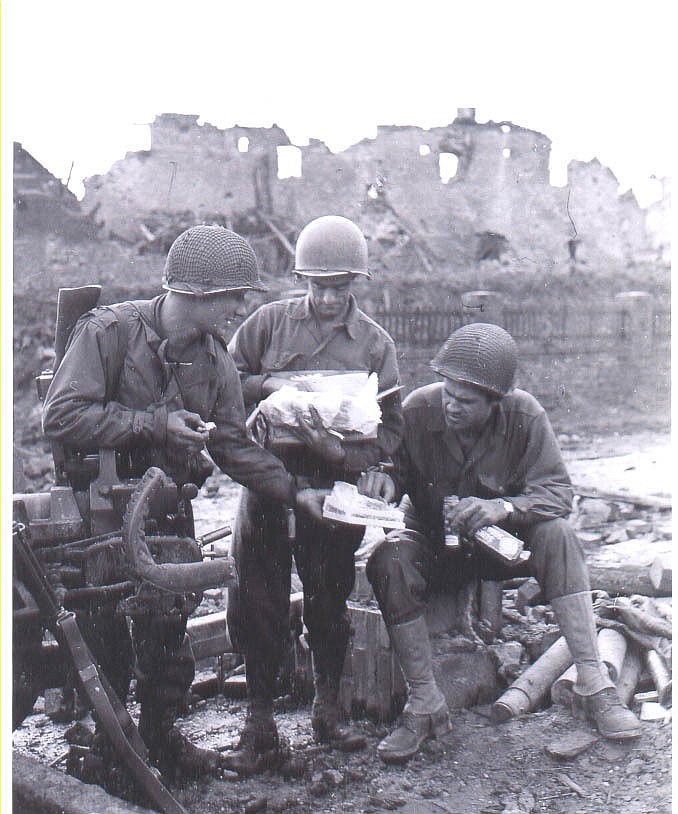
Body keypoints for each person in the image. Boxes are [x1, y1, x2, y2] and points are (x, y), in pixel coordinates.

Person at [42, 225, 327, 780]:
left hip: (168, 511)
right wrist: (154, 424)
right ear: (199, 294)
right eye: (233, 295)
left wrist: (295, 492)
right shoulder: (109, 332)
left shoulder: (215, 358)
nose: (239, 306)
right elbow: (61, 415)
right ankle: (112, 747)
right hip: (98, 511)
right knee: (106, 637)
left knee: (169, 637)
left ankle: (159, 739)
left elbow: (231, 444)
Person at [359, 322, 642, 764]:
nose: (451, 406)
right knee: (387, 558)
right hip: (435, 544)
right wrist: (383, 483)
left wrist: (505, 508)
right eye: (448, 393)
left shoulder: (524, 416)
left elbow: (557, 494)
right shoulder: (418, 410)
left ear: (496, 403)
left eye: (466, 401)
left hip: (502, 548)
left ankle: (593, 684)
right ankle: (424, 704)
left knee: (559, 535)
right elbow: (391, 469)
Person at [226, 215, 404, 775]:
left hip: (334, 485)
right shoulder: (267, 325)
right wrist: (266, 386)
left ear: (357, 282)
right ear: (301, 279)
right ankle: (259, 722)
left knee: (329, 596)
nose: (328, 298)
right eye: (317, 285)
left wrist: (346, 458)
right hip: (268, 479)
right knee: (258, 593)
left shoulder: (374, 344)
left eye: (340, 286)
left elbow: (392, 430)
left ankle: (329, 708)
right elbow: (222, 382)